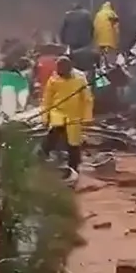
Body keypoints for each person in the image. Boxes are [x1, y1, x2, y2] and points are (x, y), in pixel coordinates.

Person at [40, 55, 94, 184]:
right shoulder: (53, 79)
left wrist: (87, 117)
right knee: (53, 135)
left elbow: (87, 99)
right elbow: (47, 99)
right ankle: (42, 158)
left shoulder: (80, 78)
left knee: (73, 144)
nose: (60, 73)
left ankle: (73, 168)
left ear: (69, 68)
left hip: (74, 114)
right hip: (57, 112)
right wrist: (45, 116)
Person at [93, 1, 120, 66]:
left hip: (99, 40)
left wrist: (95, 38)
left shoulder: (98, 15)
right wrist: (117, 39)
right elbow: (116, 27)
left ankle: (100, 67)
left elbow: (95, 27)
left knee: (101, 56)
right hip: (110, 40)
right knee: (110, 58)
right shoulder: (112, 14)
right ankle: (110, 67)